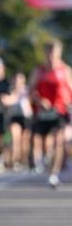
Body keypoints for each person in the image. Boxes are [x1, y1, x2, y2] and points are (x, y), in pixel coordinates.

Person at [28, 39, 72, 188]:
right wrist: (40, 101)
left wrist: (68, 103)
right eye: (49, 54)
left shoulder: (65, 70)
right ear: (45, 54)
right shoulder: (39, 71)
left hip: (60, 111)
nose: (52, 57)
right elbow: (30, 91)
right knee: (46, 144)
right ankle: (46, 159)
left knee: (59, 142)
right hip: (42, 112)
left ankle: (54, 175)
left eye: (55, 54)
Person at [2, 72, 32, 170]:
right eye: (16, 81)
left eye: (20, 81)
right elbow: (5, 101)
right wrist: (16, 95)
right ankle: (15, 160)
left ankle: (24, 159)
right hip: (14, 117)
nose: (18, 83)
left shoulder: (27, 91)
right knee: (16, 137)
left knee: (25, 141)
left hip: (26, 118)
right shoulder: (9, 90)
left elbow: (32, 102)